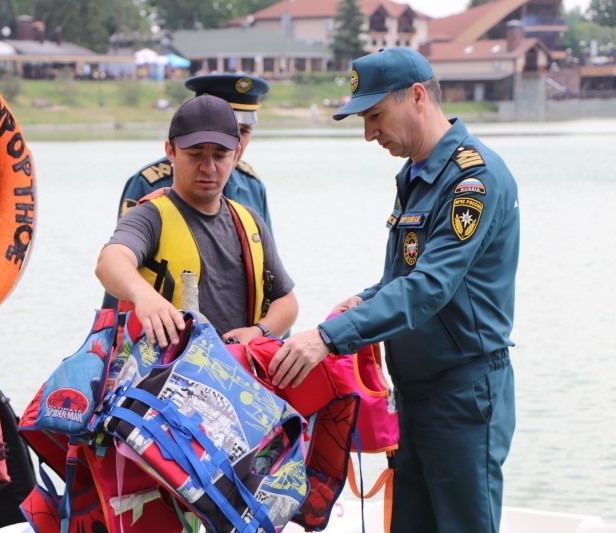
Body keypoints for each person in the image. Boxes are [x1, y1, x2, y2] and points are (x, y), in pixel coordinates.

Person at [268, 48, 519, 533]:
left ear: (418, 97)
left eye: (376, 116)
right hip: (415, 394)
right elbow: (402, 279)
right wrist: (362, 302)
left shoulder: (474, 178)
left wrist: (330, 337)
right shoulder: (418, 176)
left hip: (463, 396)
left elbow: (430, 287)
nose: (369, 133)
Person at [96, 94, 297, 348]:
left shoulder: (249, 222)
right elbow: (110, 260)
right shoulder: (150, 216)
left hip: (237, 368)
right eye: (195, 154)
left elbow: (286, 301)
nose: (208, 167)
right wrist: (144, 296)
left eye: (220, 155)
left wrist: (259, 331)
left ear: (236, 154)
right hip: (167, 368)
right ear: (171, 151)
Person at [116, 73, 272, 229]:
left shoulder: (252, 185)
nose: (235, 141)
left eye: (243, 131)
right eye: (226, 133)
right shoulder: (147, 184)